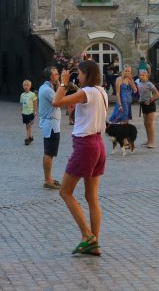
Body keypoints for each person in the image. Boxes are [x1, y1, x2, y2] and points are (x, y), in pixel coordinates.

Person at [52, 60, 108, 256]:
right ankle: (95, 243)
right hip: (99, 144)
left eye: (80, 74)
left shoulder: (88, 92)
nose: (78, 77)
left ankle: (87, 236)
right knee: (91, 197)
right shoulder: (101, 91)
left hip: (85, 146)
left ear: (87, 74)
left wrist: (63, 83)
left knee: (65, 192)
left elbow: (56, 102)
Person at [38, 66, 62, 189]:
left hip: (52, 124)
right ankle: (48, 180)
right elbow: (58, 101)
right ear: (50, 77)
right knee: (49, 153)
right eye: (56, 74)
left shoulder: (48, 87)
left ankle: (49, 178)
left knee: (50, 153)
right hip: (51, 125)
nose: (58, 76)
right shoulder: (47, 89)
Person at [136, 69, 159, 147]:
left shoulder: (149, 84)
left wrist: (150, 100)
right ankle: (148, 140)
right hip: (143, 105)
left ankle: (152, 142)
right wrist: (139, 100)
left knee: (150, 123)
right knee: (146, 124)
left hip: (150, 105)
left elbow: (157, 94)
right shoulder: (139, 84)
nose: (142, 77)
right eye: (140, 75)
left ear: (147, 76)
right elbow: (141, 95)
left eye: (143, 75)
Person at [20, 80, 37, 145]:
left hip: (30, 112)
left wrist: (34, 111)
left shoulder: (32, 94)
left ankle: (27, 138)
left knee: (29, 125)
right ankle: (30, 136)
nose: (26, 86)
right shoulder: (22, 95)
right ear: (23, 86)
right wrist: (22, 111)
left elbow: (35, 103)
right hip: (24, 113)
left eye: (27, 85)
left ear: (30, 86)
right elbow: (22, 104)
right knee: (27, 126)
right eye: (24, 85)